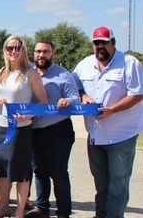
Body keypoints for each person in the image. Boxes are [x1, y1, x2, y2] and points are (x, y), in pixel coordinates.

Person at [72, 26, 143, 218]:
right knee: (101, 181)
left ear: (113, 43)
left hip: (121, 135)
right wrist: (84, 95)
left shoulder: (129, 63)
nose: (100, 46)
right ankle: (101, 214)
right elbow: (74, 85)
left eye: (104, 42)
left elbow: (137, 94)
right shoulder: (85, 64)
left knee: (118, 182)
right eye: (96, 43)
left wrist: (112, 110)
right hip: (95, 135)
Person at [0, 36, 47, 218]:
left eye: (17, 48)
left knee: (21, 172)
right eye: (9, 48)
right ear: (5, 50)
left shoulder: (31, 74)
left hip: (21, 130)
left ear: (23, 50)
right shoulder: (0, 73)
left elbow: (43, 103)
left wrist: (30, 114)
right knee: (3, 171)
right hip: (1, 129)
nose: (13, 51)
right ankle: (4, 207)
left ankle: (19, 211)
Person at [25, 41, 80, 218]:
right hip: (34, 130)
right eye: (38, 51)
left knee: (58, 172)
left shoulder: (63, 74)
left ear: (52, 53)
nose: (42, 55)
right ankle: (42, 208)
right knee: (39, 172)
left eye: (46, 52)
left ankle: (63, 212)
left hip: (58, 130)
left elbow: (75, 97)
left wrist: (67, 101)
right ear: (33, 53)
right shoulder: (28, 73)